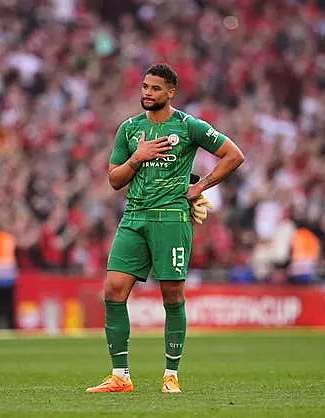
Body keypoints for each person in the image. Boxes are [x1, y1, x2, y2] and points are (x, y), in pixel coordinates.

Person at [86, 64, 244, 393]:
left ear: (170, 92)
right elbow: (114, 180)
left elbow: (233, 155)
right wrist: (137, 158)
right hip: (134, 217)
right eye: (144, 86)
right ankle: (120, 376)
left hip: (171, 219)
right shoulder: (129, 130)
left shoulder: (188, 126)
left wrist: (201, 187)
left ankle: (171, 375)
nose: (147, 92)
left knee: (171, 296)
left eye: (155, 88)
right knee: (113, 290)